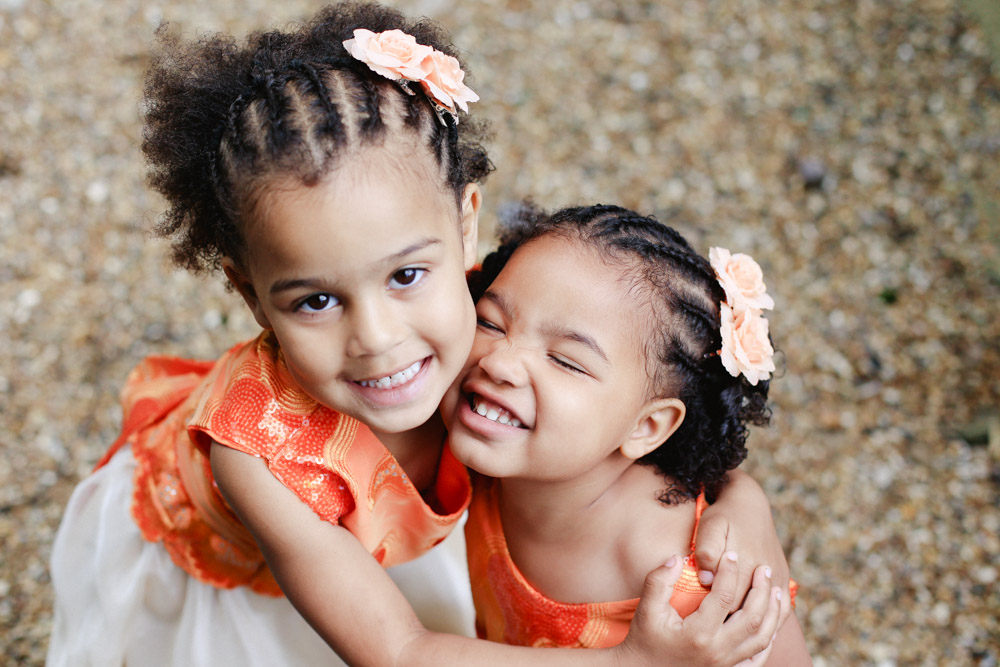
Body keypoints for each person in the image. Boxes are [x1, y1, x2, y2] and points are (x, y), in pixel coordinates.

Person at [48, 4, 788, 666]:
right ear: (249, 294)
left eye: (404, 277)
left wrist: (741, 502)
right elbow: (398, 650)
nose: (377, 337)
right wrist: (636, 662)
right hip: (242, 562)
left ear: (464, 225)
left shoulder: (495, 321)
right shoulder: (257, 462)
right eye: (315, 300)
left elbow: (645, 399)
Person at [443, 204, 813, 663]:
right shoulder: (488, 442)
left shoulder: (684, 573)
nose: (498, 361)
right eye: (490, 322)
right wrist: (745, 491)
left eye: (566, 360)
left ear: (647, 426)